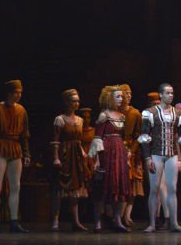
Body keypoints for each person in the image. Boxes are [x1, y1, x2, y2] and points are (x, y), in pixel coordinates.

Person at [138, 83, 181, 233]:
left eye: (172, 93)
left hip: (172, 154)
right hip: (156, 154)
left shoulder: (179, 113)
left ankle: (174, 223)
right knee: (154, 189)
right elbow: (145, 136)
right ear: (161, 95)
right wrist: (147, 158)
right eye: (167, 93)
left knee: (172, 188)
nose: (171, 95)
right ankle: (152, 224)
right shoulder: (150, 112)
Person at [0, 79, 31, 233]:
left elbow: (24, 134)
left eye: (20, 92)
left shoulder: (22, 110)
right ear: (9, 93)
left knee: (16, 186)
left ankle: (14, 221)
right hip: (1, 147)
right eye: (16, 92)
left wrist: (26, 153)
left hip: (15, 148)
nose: (18, 95)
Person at [89, 85, 133, 232]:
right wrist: (96, 160)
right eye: (118, 96)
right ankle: (97, 222)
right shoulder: (104, 115)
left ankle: (117, 219)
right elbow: (97, 138)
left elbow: (122, 137)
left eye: (122, 96)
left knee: (120, 185)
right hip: (106, 152)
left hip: (119, 152)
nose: (121, 99)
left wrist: (126, 154)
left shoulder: (122, 116)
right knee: (102, 186)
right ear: (110, 98)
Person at [51, 89, 90, 231]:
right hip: (64, 154)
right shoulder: (60, 119)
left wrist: (83, 153)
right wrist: (56, 157)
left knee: (75, 188)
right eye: (74, 101)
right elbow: (55, 141)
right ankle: (55, 219)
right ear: (67, 102)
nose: (76, 103)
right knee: (60, 188)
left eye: (78, 101)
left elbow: (79, 140)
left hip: (76, 156)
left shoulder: (80, 120)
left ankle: (76, 221)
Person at [119, 84, 144, 228]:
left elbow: (139, 134)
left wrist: (132, 150)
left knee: (132, 183)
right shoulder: (114, 112)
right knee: (120, 183)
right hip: (117, 148)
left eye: (130, 93)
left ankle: (127, 215)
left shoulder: (135, 113)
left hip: (132, 150)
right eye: (125, 93)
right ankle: (117, 215)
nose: (128, 96)